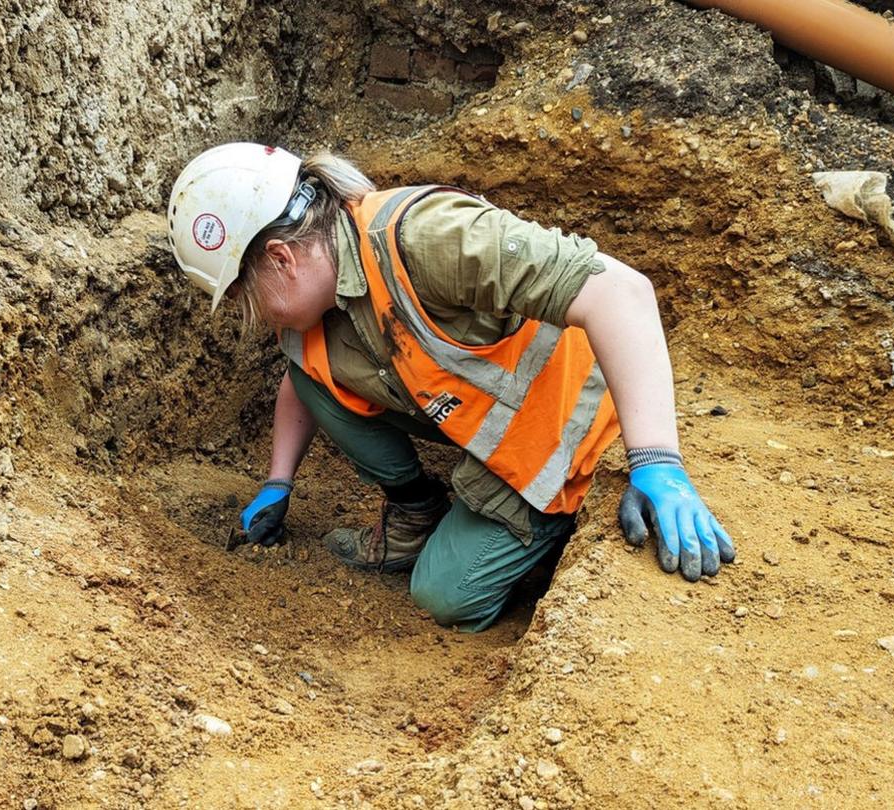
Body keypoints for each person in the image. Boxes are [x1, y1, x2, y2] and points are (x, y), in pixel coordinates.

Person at [166, 142, 735, 632]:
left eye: (245, 298)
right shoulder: (323, 303)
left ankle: (550, 540)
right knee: (310, 374)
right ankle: (417, 517)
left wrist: (655, 459)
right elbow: (308, 378)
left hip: (571, 432)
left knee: (444, 596)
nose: (255, 317)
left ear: (282, 257)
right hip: (493, 431)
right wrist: (277, 482)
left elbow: (621, 293)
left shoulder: (424, 237)